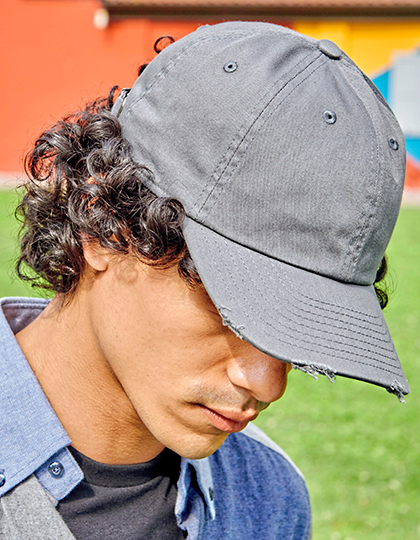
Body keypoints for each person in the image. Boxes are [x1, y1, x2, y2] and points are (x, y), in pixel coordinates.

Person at [0, 20, 409, 540]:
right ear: (102, 224)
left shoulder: (269, 499)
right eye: (234, 308)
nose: (268, 384)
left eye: (298, 333)